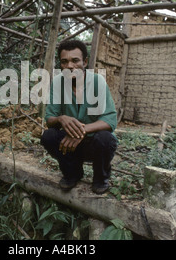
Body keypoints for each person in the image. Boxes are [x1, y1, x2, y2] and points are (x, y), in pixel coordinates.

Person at [40, 39, 118, 194]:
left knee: (105, 138)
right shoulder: (58, 83)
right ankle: (72, 174)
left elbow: (110, 120)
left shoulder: (97, 82)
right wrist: (61, 118)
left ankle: (100, 177)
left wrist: (81, 131)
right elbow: (49, 118)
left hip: (94, 144)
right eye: (64, 61)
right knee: (48, 136)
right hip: (70, 146)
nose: (70, 66)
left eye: (75, 60)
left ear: (85, 61)